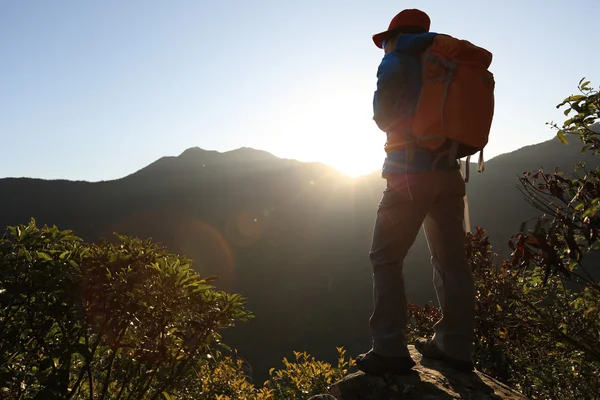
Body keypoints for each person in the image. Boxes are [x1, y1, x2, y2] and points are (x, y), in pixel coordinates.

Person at [355, 9, 476, 375]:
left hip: (409, 174)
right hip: (450, 173)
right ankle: (455, 347)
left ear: (394, 36)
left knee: (386, 258)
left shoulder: (397, 59)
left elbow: (383, 116)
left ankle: (389, 348)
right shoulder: (446, 61)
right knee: (451, 261)